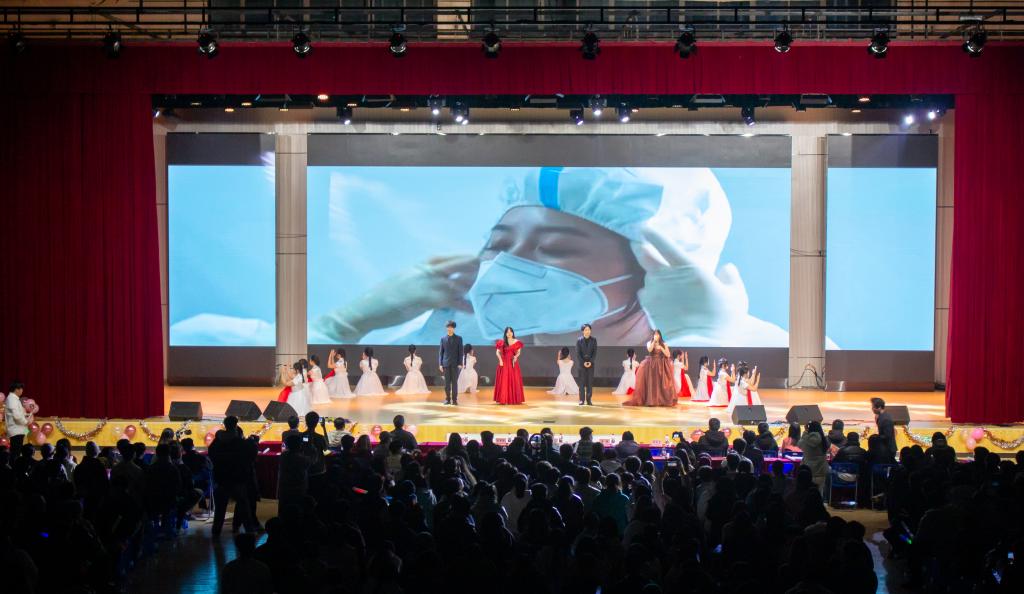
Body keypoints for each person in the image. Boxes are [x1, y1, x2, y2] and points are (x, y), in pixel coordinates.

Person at [310, 167, 787, 348]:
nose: (505, 268)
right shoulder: (463, 336)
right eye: (498, 245)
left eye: (555, 248)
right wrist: (341, 326)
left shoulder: (759, 345)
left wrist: (701, 340)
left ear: (655, 269)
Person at [208, 416, 257, 536]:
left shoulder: (217, 442)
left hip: (221, 479)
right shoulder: (240, 443)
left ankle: (216, 533)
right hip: (237, 479)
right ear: (236, 425)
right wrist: (253, 443)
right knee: (244, 508)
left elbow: (211, 455)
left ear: (225, 425)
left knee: (220, 510)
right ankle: (250, 531)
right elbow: (251, 456)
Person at [623, 329, 676, 407]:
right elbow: (650, 349)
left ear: (660, 336)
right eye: (655, 334)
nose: (656, 336)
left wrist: (661, 348)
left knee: (661, 382)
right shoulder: (649, 343)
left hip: (661, 365)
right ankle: (652, 400)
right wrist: (654, 342)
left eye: (657, 334)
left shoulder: (664, 344)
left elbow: (668, 355)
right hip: (652, 365)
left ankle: (661, 400)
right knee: (652, 382)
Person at [493, 326, 525, 405]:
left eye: (511, 331)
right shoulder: (502, 342)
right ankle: (503, 399)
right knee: (504, 381)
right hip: (504, 363)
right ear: (505, 333)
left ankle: (513, 399)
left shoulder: (517, 342)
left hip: (512, 363)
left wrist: (516, 357)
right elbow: (497, 352)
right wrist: (500, 361)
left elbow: (518, 352)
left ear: (513, 333)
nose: (509, 333)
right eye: (507, 332)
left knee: (514, 380)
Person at [797, 420, 829, 492]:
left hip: (808, 472)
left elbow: (799, 445)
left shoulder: (805, 440)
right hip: (821, 471)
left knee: (807, 492)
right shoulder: (824, 440)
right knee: (819, 493)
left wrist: (805, 432)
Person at [439, 320, 464, 405]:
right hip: (445, 364)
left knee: (454, 383)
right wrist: (440, 364)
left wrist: (460, 363)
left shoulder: (459, 338)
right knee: (446, 384)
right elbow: (441, 353)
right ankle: (447, 399)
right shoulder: (443, 339)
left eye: (451, 327)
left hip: (455, 364)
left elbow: (460, 352)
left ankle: (455, 400)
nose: (449, 329)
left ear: (454, 328)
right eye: (448, 327)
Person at [4, 381, 31, 451]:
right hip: (16, 430)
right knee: (16, 452)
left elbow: (18, 413)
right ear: (16, 389)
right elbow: (16, 416)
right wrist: (26, 422)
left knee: (17, 451)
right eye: (21, 388)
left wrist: (26, 415)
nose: (22, 391)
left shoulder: (14, 398)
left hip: (18, 430)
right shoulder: (12, 399)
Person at [576, 323, 597, 406]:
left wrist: (590, 362)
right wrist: (583, 362)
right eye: (586, 330)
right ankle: (581, 400)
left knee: (589, 383)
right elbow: (578, 353)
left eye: (589, 330)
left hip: (591, 364)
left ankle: (589, 400)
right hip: (581, 365)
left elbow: (595, 353)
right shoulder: (579, 340)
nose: (587, 331)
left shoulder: (594, 340)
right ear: (583, 331)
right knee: (581, 383)